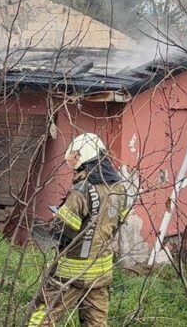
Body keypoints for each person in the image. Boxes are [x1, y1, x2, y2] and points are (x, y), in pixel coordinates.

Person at [28, 133, 129, 327]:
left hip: (72, 271)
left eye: (75, 156)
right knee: (96, 322)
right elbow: (117, 223)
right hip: (101, 270)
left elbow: (63, 229)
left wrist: (57, 218)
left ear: (83, 157)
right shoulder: (119, 188)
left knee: (42, 316)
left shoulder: (82, 189)